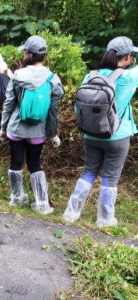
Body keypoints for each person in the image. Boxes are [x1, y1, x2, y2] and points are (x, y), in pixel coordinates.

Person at [63, 36, 138, 227]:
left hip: (91, 134)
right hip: (117, 136)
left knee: (88, 172)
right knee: (110, 178)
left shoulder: (91, 76)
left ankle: (71, 213)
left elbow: (77, 109)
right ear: (128, 56)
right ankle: (104, 219)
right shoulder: (128, 78)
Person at [0, 36, 64, 214]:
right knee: (34, 163)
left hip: (16, 128)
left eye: (25, 51)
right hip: (38, 131)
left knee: (16, 162)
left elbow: (9, 103)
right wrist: (53, 133)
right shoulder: (53, 79)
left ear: (29, 54)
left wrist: (3, 128)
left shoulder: (18, 75)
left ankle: (17, 198)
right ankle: (42, 204)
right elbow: (53, 111)